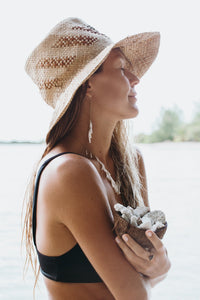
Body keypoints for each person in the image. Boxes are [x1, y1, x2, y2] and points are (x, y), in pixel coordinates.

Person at [23, 17, 171, 300]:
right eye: (121, 68)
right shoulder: (69, 171)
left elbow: (147, 270)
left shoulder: (131, 162)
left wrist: (159, 267)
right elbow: (136, 293)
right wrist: (161, 268)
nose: (135, 78)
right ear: (87, 84)